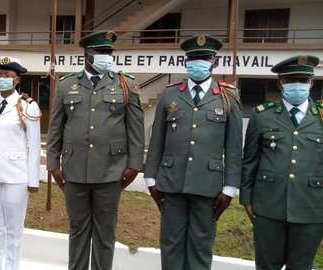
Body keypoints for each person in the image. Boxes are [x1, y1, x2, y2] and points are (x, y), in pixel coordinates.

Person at [46, 30, 145, 270]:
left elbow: (135, 128)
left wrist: (134, 164)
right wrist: (52, 164)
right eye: (101, 52)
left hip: (111, 171)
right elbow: (56, 127)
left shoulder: (126, 84)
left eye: (109, 52)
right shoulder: (66, 85)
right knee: (78, 229)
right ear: (87, 54)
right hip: (74, 169)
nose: (107, 56)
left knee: (105, 232)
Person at [144, 34, 243, 270]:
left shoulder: (228, 96)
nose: (198, 63)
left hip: (208, 185)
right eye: (193, 58)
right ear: (185, 62)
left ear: (214, 62)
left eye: (204, 58)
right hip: (171, 183)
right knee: (171, 244)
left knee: (201, 245)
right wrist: (150, 178)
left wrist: (229, 188)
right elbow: (157, 138)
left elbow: (233, 146)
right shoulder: (170, 94)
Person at [241, 55, 323, 270]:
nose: (297, 85)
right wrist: (247, 199)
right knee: (267, 266)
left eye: (303, 80)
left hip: (312, 207)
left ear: (311, 82)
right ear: (280, 83)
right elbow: (250, 160)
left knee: (301, 266)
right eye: (290, 80)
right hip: (268, 206)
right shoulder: (262, 116)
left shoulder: (321, 117)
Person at [0, 56, 41, 270]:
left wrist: (33, 179)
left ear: (17, 80)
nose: (3, 79)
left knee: (13, 229)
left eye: (8, 76)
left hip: (16, 177)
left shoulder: (28, 106)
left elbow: (34, 145)